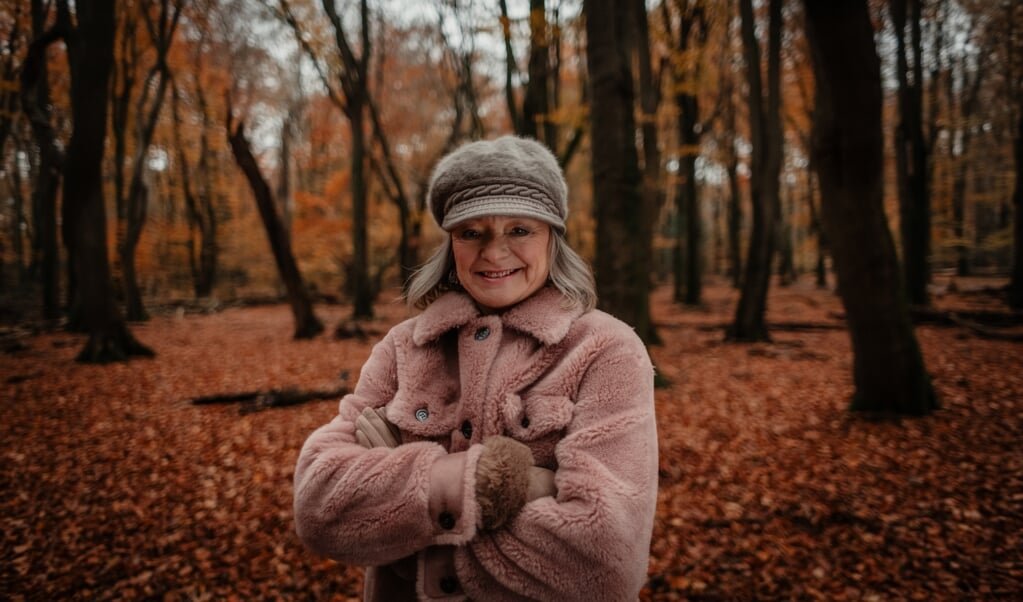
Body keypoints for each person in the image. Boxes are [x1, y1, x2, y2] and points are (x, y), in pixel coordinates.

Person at [293, 136, 659, 601]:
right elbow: (318, 509)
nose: (493, 252)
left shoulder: (606, 350)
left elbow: (604, 565)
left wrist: (403, 519)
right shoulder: (405, 346)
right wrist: (506, 484)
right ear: (452, 243)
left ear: (552, 235)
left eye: (519, 230)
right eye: (472, 232)